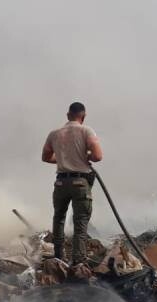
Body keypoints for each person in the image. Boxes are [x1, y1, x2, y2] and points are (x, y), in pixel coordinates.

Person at [42, 101, 103, 265]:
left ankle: (58, 257)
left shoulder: (54, 133)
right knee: (80, 222)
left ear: (68, 115)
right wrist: (85, 157)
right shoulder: (86, 130)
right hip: (80, 183)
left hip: (61, 183)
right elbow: (98, 156)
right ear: (83, 117)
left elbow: (46, 157)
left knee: (59, 218)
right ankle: (78, 262)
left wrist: (64, 160)